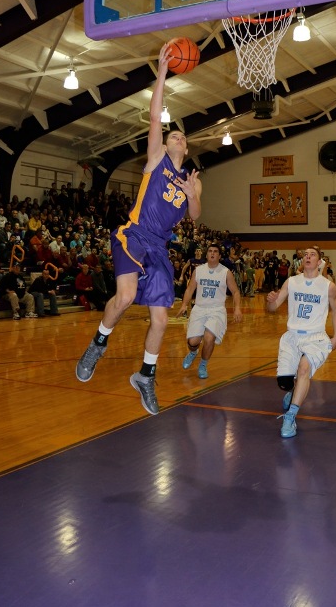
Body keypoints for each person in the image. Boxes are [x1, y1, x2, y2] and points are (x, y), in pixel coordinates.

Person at [75, 43, 202, 415]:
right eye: (173, 135)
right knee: (126, 297)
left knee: (161, 318)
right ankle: (98, 344)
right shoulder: (156, 158)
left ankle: (146, 375)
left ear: (186, 148)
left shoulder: (192, 179)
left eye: (182, 137)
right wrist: (162, 72)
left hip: (160, 247)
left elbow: (195, 215)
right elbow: (155, 117)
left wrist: (190, 193)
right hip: (134, 235)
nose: (177, 137)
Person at [267, 246, 336, 439]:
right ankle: (292, 392)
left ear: (319, 262)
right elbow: (273, 308)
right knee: (285, 383)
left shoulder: (328, 286)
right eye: (305, 254)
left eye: (312, 254)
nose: (308, 257)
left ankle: (290, 417)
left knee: (304, 369)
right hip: (293, 336)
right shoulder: (291, 282)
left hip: (316, 337)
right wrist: (271, 301)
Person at [176, 243, 242, 379]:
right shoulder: (198, 270)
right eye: (210, 251)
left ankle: (203, 364)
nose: (212, 253)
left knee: (209, 338)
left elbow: (235, 292)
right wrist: (184, 305)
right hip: (199, 308)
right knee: (192, 342)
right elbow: (190, 289)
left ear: (219, 255)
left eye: (215, 251)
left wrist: (237, 309)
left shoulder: (225, 272)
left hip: (216, 310)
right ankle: (193, 352)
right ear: (206, 255)